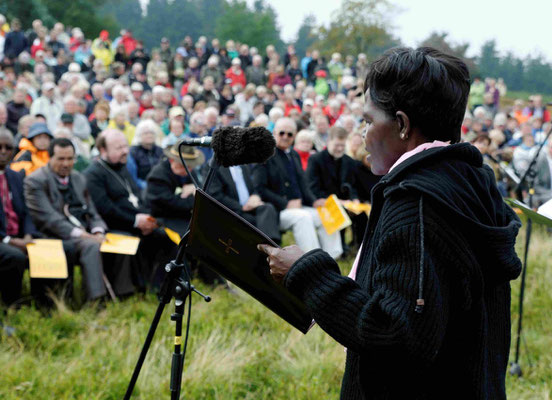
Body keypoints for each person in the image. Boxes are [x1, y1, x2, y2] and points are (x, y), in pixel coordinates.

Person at [259, 47, 522, 399]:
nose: (363, 134)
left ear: (401, 124)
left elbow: (395, 336)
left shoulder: (417, 205)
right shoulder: (469, 180)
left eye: (368, 121)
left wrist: (307, 273)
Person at [84, 129, 175, 288]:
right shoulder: (93, 174)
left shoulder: (121, 166)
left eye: (125, 146)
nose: (125, 151)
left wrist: (148, 219)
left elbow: (138, 197)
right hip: (114, 225)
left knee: (166, 237)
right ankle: (140, 288)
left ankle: (164, 284)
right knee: (138, 242)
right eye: (118, 148)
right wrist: (135, 221)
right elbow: (104, 208)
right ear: (103, 150)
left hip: (136, 222)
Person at [24, 138, 108, 301]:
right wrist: (82, 234)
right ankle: (96, 300)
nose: (66, 164)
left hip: (83, 232)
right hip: (53, 234)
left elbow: (91, 211)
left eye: (70, 159)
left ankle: (123, 292)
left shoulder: (78, 178)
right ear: (50, 158)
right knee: (91, 246)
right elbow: (48, 218)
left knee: (112, 241)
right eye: (61, 159)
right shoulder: (36, 180)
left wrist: (98, 230)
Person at [253, 117, 343, 259]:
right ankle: (312, 260)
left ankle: (332, 257)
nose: (285, 137)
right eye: (281, 133)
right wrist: (285, 204)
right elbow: (259, 190)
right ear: (274, 132)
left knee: (324, 213)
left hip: (298, 207)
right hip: (277, 210)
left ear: (294, 136)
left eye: (289, 134)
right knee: (304, 218)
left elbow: (303, 185)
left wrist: (314, 201)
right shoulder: (265, 155)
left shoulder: (293, 154)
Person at [0, 130, 37, 306]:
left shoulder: (16, 176)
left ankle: (46, 301)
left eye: (8, 147)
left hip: (19, 236)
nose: (3, 151)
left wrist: (29, 234)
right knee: (15, 256)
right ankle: (12, 304)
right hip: (3, 238)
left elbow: (26, 212)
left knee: (59, 247)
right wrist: (9, 241)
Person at [207, 163, 280, 244]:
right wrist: (241, 207)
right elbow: (215, 195)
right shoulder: (213, 166)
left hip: (250, 207)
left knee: (268, 208)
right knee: (259, 222)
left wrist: (255, 196)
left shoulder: (243, 165)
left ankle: (272, 246)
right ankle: (268, 248)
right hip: (233, 211)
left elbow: (254, 187)